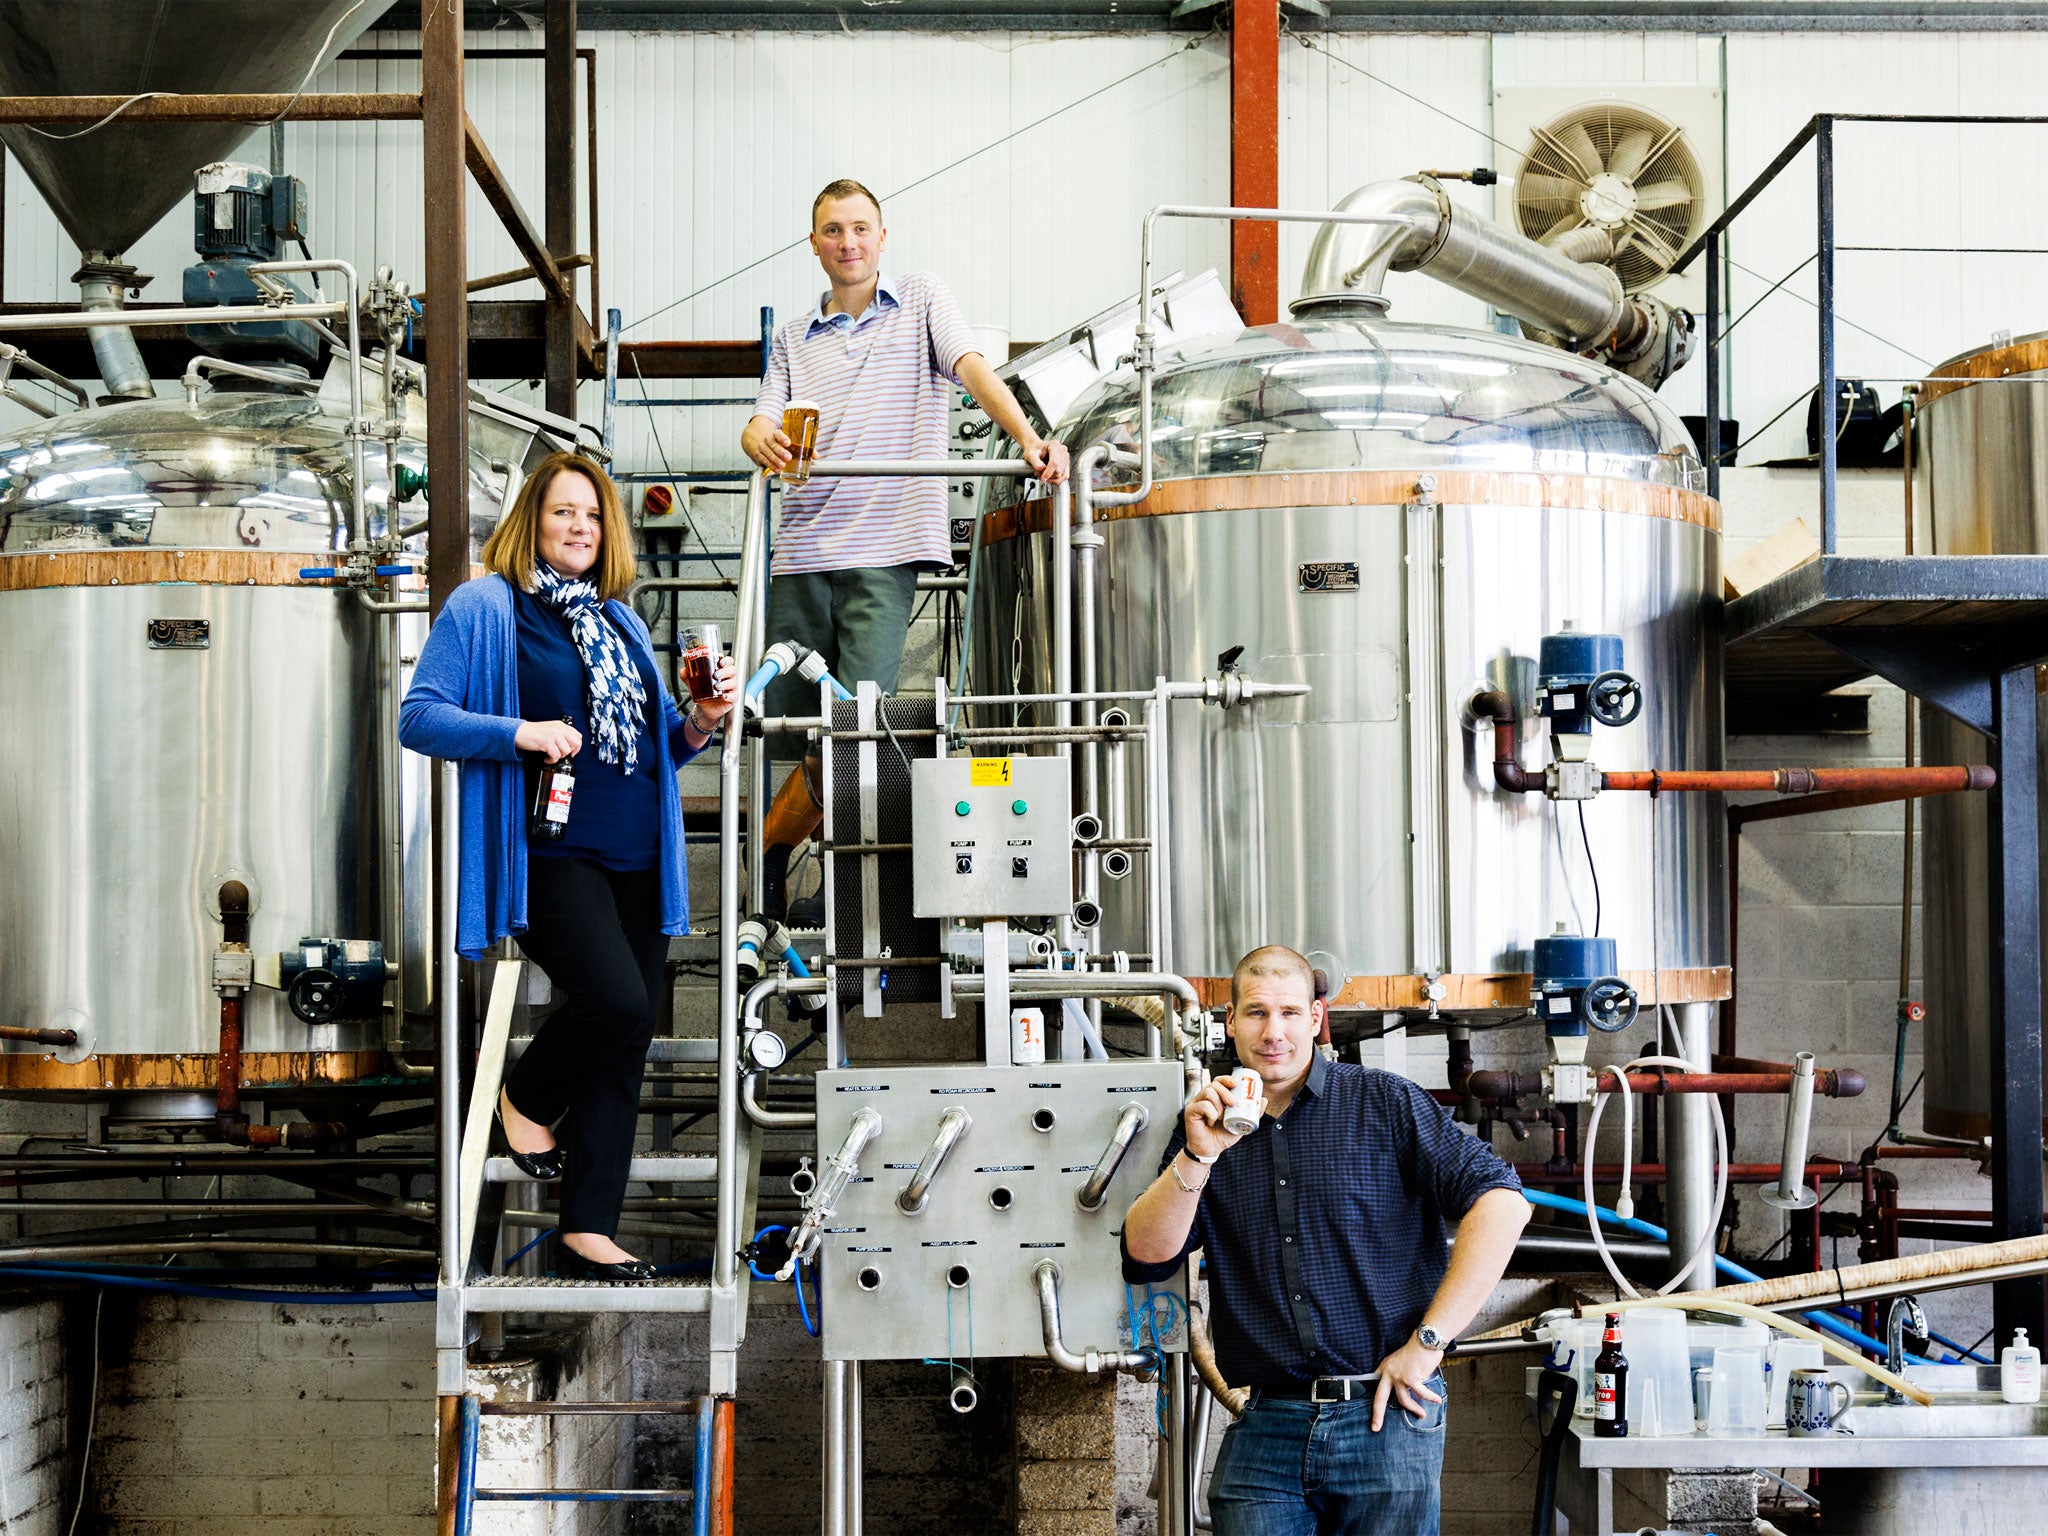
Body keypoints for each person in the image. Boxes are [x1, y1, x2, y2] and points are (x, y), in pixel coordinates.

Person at [398, 450, 739, 1282]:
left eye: (591, 515)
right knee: (614, 1000)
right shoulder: (487, 608)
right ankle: (526, 1097)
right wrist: (520, 734)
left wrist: (701, 718)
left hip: (637, 856)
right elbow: (420, 716)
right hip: (550, 852)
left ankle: (589, 1226)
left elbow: (660, 739)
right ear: (531, 520)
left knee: (626, 1036)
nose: (579, 528)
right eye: (562, 513)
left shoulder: (619, 621)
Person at [740, 176, 1071, 919]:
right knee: (790, 729)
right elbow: (759, 424)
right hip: (800, 551)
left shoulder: (922, 297)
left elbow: (971, 368)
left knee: (857, 725)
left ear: (882, 238)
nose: (848, 242)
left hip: (882, 550)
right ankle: (775, 879)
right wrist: (756, 433)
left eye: (861, 228)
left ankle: (786, 865)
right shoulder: (795, 337)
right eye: (833, 230)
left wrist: (1027, 440)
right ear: (815, 243)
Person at [1122, 946, 1532, 1536]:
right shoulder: (1203, 1124)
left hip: (1385, 1417)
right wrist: (1198, 1155)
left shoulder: (1385, 1103)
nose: (1274, 1032)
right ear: (1230, 1021)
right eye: (1257, 1013)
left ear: (1316, 1018)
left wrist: (1429, 1344)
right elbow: (1146, 1256)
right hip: (1267, 1423)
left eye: (1289, 1013)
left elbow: (1503, 1202)